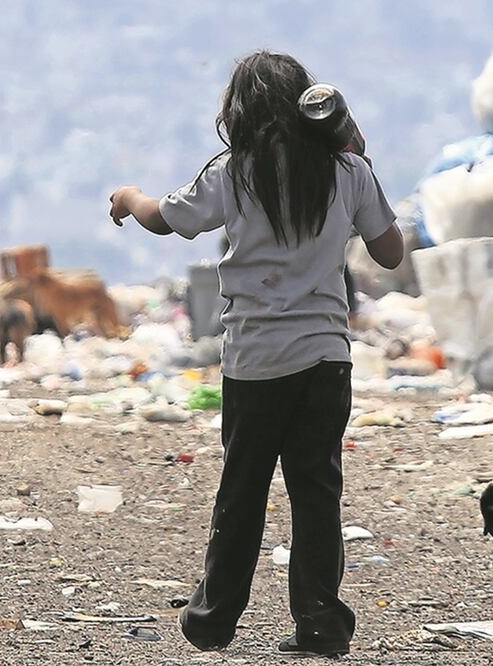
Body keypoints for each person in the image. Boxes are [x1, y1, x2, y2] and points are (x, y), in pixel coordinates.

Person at [108, 50, 403, 657]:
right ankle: (321, 624)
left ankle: (213, 621)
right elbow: (392, 251)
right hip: (326, 359)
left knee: (242, 491)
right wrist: (360, 155)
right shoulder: (347, 172)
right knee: (316, 492)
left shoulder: (234, 172)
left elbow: (168, 220)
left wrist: (128, 197)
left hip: (255, 361)